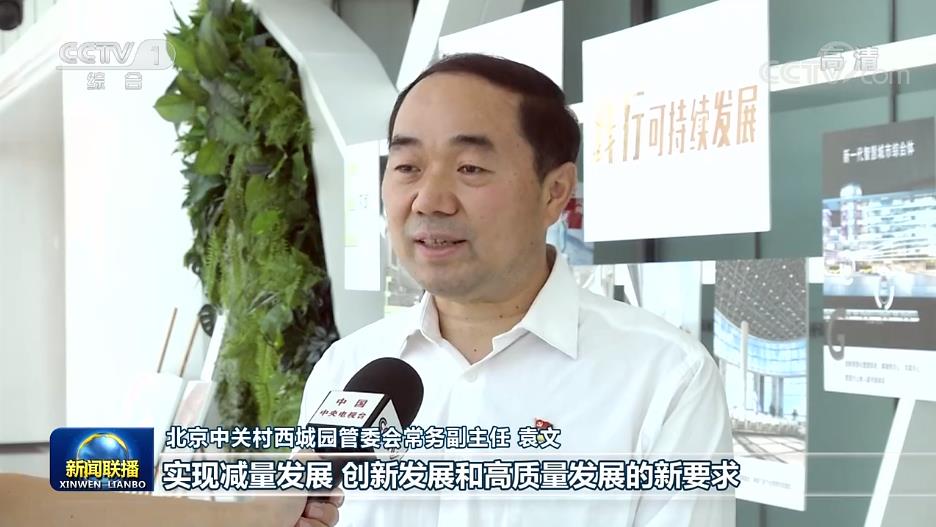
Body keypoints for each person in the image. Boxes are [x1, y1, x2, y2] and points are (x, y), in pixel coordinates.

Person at [293, 53, 734, 527]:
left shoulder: (665, 377)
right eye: (407, 166)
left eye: (470, 168)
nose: (429, 200)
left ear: (555, 191)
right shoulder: (347, 368)